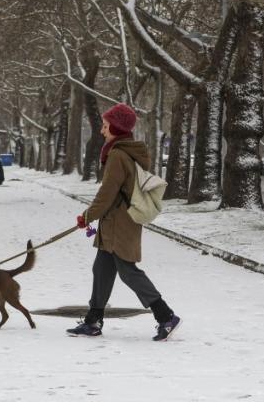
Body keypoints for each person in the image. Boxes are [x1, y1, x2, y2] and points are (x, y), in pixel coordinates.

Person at [66, 103, 181, 341]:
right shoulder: (121, 151)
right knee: (101, 270)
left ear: (116, 128)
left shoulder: (118, 154)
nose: (102, 130)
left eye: (106, 126)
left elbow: (108, 193)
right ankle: (93, 321)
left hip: (120, 224)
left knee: (128, 271)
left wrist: (87, 217)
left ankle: (165, 316)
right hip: (115, 222)